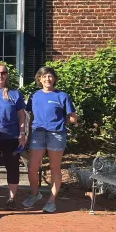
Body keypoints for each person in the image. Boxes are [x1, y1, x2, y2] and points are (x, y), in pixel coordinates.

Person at [23, 66, 77, 213]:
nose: (47, 79)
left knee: (54, 168)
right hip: (38, 134)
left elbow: (72, 117)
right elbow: (28, 115)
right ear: (39, 79)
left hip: (56, 134)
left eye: (50, 76)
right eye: (44, 76)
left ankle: (51, 201)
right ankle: (35, 194)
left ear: (54, 79)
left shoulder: (62, 96)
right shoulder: (34, 96)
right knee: (32, 168)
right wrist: (24, 133)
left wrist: (63, 122)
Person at [0, 63, 26, 210]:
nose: (0, 76)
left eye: (3, 73)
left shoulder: (14, 94)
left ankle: (11, 199)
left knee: (12, 168)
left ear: (7, 75)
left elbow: (22, 116)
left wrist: (22, 134)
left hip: (11, 136)